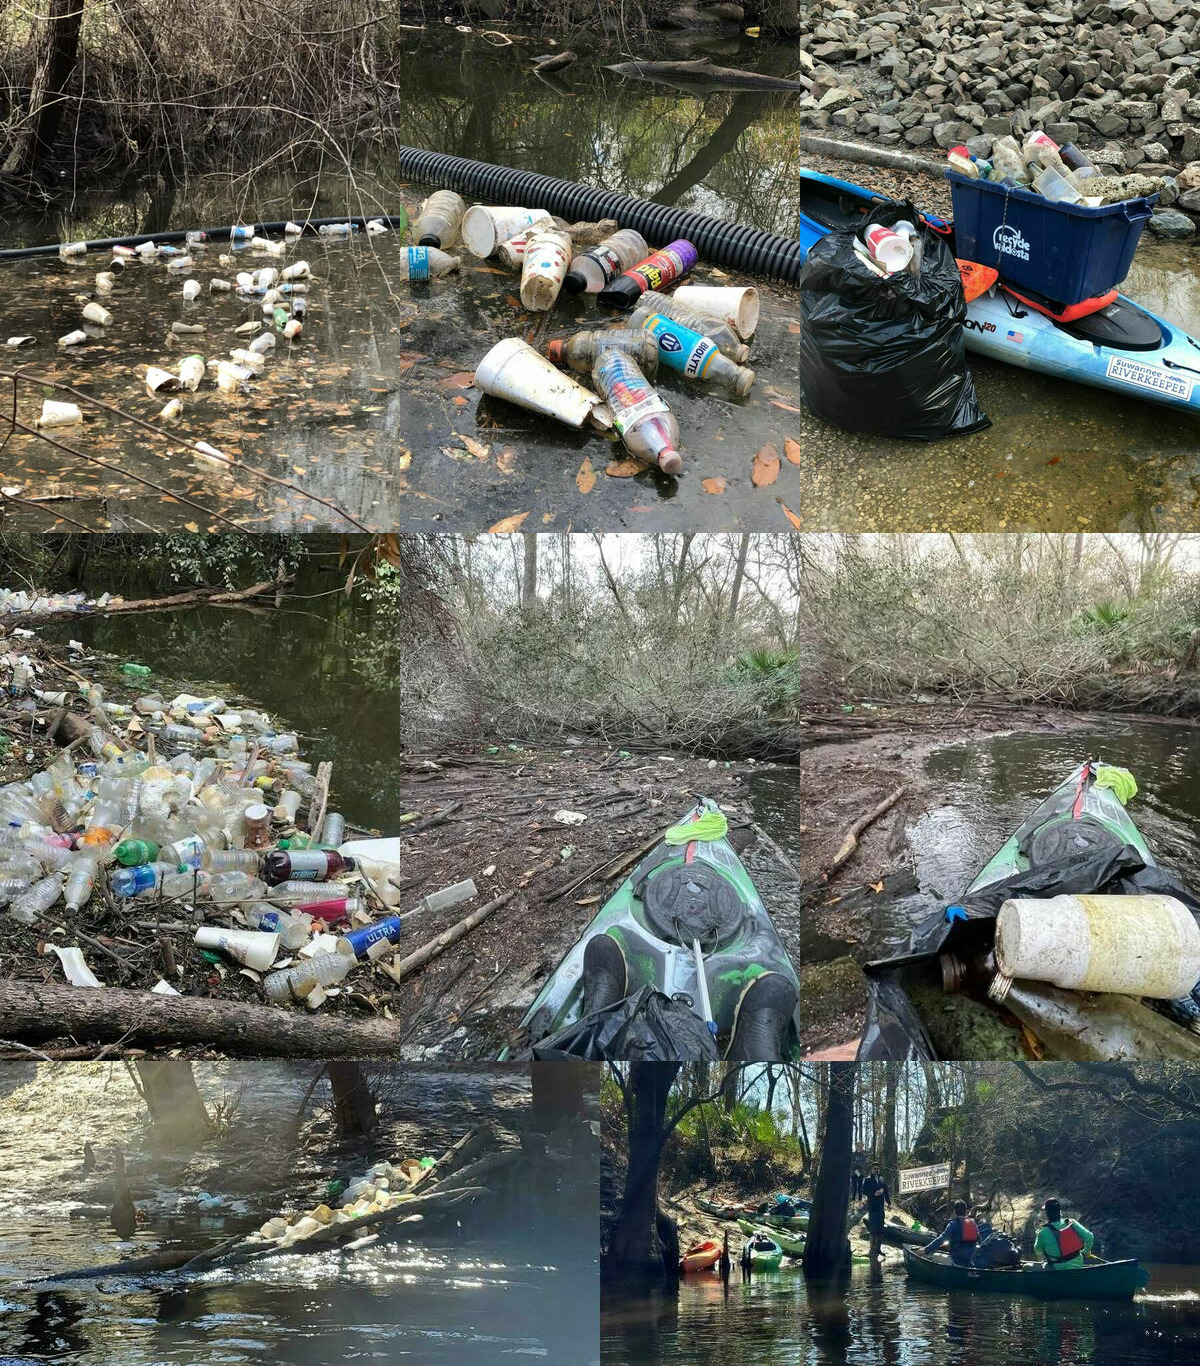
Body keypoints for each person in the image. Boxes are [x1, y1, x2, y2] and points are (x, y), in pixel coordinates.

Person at [1033, 1199, 1094, 1269]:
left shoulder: (1042, 1232)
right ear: (1059, 1211)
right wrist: (1086, 1251)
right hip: (1078, 1265)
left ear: (1047, 1214)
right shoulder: (1071, 1223)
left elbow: (1038, 1252)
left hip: (1057, 1267)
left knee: (1026, 1267)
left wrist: (1038, 1236)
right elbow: (1089, 1236)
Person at [921, 1200, 981, 1267]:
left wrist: (925, 1250)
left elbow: (940, 1240)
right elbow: (978, 1240)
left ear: (955, 1211)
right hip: (971, 1261)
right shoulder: (973, 1223)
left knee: (931, 1257)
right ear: (966, 1211)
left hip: (957, 1261)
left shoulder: (953, 1224)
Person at [862, 1163, 890, 1260]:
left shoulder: (882, 1179)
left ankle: (878, 1249)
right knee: (873, 1229)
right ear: (871, 1170)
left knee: (880, 1229)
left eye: (878, 1168)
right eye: (874, 1169)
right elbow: (864, 1191)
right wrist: (874, 1193)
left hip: (881, 1208)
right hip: (872, 1207)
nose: (876, 1170)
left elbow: (886, 1191)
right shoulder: (868, 1179)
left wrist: (889, 1203)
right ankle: (872, 1250)